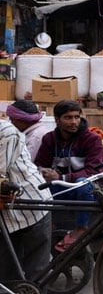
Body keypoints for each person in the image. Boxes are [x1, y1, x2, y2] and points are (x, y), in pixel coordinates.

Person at [34, 99, 103, 252]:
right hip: (63, 188)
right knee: (37, 190)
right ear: (57, 120)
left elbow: (92, 171)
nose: (74, 122)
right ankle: (47, 228)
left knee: (83, 183)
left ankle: (81, 228)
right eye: (68, 118)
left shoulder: (92, 139)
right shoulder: (49, 139)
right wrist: (44, 172)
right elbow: (39, 164)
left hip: (88, 190)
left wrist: (61, 178)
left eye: (76, 117)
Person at [0, 120, 52, 282]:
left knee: (36, 270)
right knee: (7, 271)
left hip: (31, 206)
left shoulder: (6, 132)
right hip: (7, 211)